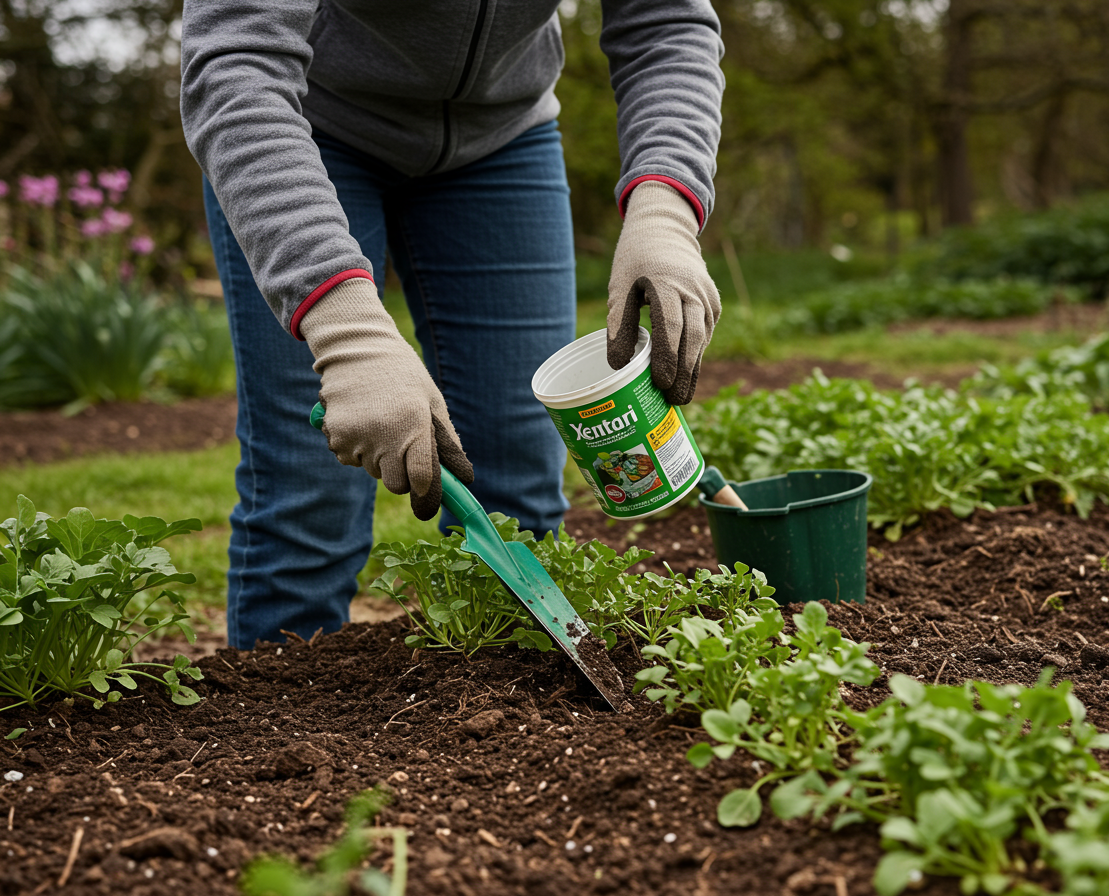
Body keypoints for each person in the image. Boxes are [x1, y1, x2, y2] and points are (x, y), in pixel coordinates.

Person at [180, 2, 725, 649]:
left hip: (502, 138)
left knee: (516, 486)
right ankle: (281, 744)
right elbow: (235, 61)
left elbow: (665, 20)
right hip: (302, 127)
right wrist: (347, 331)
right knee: (310, 497)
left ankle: (510, 726)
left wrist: (663, 211)